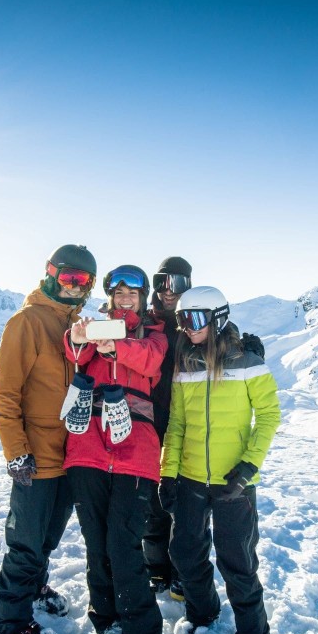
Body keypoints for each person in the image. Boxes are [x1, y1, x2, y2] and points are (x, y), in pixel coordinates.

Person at [160, 286, 281, 634]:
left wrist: (248, 467)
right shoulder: (185, 365)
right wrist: (168, 473)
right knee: (186, 551)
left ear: (218, 318)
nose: (186, 328)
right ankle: (201, 612)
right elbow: (176, 425)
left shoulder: (249, 363)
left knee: (238, 561)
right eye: (181, 320)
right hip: (192, 477)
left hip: (235, 483)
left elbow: (268, 417)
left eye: (193, 320)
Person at [0, 244, 97, 634]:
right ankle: (10, 623)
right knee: (26, 543)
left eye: (82, 281)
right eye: (68, 277)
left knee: (48, 538)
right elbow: (5, 394)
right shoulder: (27, 322)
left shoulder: (78, 325)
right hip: (35, 459)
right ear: (51, 274)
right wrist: (16, 452)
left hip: (69, 456)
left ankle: (34, 588)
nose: (74, 287)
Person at [63, 264, 167, 634]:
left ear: (142, 299)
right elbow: (73, 354)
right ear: (109, 294)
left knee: (124, 543)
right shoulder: (93, 325)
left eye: (133, 293)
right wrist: (78, 336)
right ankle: (105, 618)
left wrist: (115, 347)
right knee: (96, 540)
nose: (126, 298)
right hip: (87, 447)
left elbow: (150, 362)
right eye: (119, 291)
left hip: (135, 450)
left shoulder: (152, 335)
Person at [143, 256, 192, 599]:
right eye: (162, 282)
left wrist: (243, 344)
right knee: (152, 497)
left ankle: (180, 570)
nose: (169, 291)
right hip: (151, 420)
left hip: (188, 421)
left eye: (177, 283)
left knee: (185, 499)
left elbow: (221, 340)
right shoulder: (149, 322)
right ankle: (156, 567)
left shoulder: (195, 320)